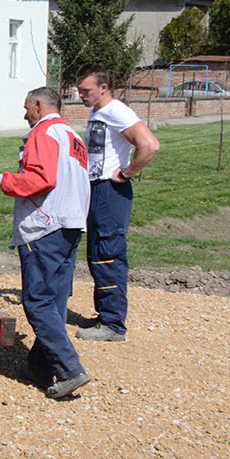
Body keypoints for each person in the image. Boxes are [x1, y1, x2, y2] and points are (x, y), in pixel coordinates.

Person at [0, 86, 92, 400]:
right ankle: (39, 367)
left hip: (45, 228)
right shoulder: (73, 137)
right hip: (71, 225)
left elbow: (41, 178)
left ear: (39, 105)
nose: (25, 115)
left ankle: (69, 369)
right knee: (55, 301)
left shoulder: (43, 133)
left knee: (37, 301)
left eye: (27, 108)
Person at [74, 64, 161, 342]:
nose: (81, 95)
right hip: (96, 190)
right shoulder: (98, 112)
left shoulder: (117, 111)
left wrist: (125, 173)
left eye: (86, 90)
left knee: (108, 253)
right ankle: (106, 316)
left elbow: (149, 145)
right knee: (97, 253)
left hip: (111, 192)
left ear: (103, 87)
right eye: (79, 90)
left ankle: (112, 324)